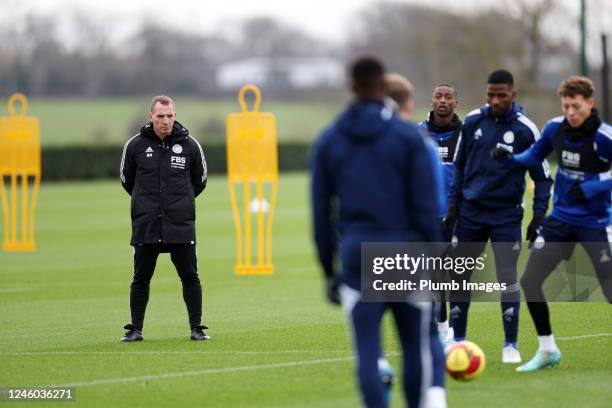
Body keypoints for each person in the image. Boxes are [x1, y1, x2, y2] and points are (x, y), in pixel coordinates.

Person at [311, 57, 445, 408]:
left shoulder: (329, 139)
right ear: (383, 87)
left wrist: (329, 271)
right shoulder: (407, 137)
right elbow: (426, 208)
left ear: (351, 86)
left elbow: (321, 217)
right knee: (415, 346)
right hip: (404, 249)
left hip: (357, 254)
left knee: (368, 353)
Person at [491, 76, 612, 371]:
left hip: (597, 222)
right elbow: (534, 155)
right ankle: (547, 350)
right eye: (566, 105)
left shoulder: (604, 137)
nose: (571, 112)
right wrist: (511, 159)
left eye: (576, 106)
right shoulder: (555, 128)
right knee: (530, 281)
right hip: (561, 220)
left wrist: (593, 189)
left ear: (590, 104)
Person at [444, 70, 553, 363]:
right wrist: (453, 207)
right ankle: (457, 342)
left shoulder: (525, 129)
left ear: (513, 95)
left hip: (506, 216)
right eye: (490, 94)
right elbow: (459, 167)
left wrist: (539, 214)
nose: (494, 100)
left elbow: (542, 176)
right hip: (470, 214)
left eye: (501, 95)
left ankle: (510, 346)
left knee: (507, 278)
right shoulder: (473, 121)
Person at [119, 95, 210, 342]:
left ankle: (196, 327)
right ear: (151, 117)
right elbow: (127, 180)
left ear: (175, 116)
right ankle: (135, 329)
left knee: (190, 276)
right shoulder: (135, 146)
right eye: (160, 116)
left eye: (170, 116)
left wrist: (180, 203)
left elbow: (199, 181)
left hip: (180, 224)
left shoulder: (190, 145)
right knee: (140, 279)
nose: (166, 121)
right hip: (146, 224)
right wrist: (144, 203)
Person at [384, 71, 447, 405]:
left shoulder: (359, 144)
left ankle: (378, 369)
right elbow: (433, 204)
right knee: (424, 333)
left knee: (372, 331)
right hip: (413, 247)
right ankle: (435, 396)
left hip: (370, 249)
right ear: (408, 105)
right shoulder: (419, 142)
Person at [417, 83, 462, 344]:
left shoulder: (468, 135)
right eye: (438, 96)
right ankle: (443, 329)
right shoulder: (418, 134)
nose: (443, 100)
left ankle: (455, 329)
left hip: (459, 218)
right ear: (432, 101)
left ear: (456, 102)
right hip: (427, 218)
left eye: (448, 97)